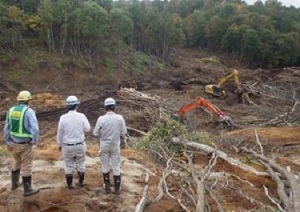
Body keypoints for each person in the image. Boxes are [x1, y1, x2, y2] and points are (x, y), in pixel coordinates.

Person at [4, 90, 40, 196]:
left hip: (13, 143)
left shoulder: (10, 110)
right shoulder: (29, 111)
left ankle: (14, 184)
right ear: (28, 100)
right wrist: (34, 141)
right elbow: (35, 129)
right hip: (25, 144)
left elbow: (6, 128)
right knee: (26, 165)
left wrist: (7, 141)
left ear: (19, 100)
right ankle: (27, 189)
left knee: (16, 162)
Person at [93, 97, 127, 194]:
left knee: (105, 165)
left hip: (104, 145)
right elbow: (123, 132)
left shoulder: (101, 119)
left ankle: (107, 186)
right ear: (114, 107)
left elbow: (95, 133)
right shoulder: (120, 118)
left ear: (105, 107)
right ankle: (117, 188)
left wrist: (102, 133)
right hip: (115, 145)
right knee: (116, 166)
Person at [57, 95, 90, 189]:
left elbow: (60, 132)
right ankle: (80, 181)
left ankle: (69, 184)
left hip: (67, 146)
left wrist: (59, 144)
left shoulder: (63, 118)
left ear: (67, 106)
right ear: (77, 105)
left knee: (68, 165)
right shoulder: (82, 116)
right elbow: (87, 129)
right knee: (80, 163)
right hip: (80, 144)